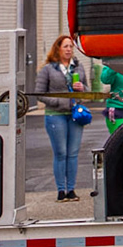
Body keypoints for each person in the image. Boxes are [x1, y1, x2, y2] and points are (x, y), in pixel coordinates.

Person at [33, 34, 89, 202]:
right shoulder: (48, 69)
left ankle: (71, 189)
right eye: (65, 46)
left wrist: (82, 89)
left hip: (75, 115)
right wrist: (58, 101)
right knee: (61, 153)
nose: (69, 49)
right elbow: (39, 93)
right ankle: (60, 190)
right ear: (58, 49)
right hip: (55, 115)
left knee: (73, 153)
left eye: (71, 46)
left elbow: (89, 91)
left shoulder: (78, 67)